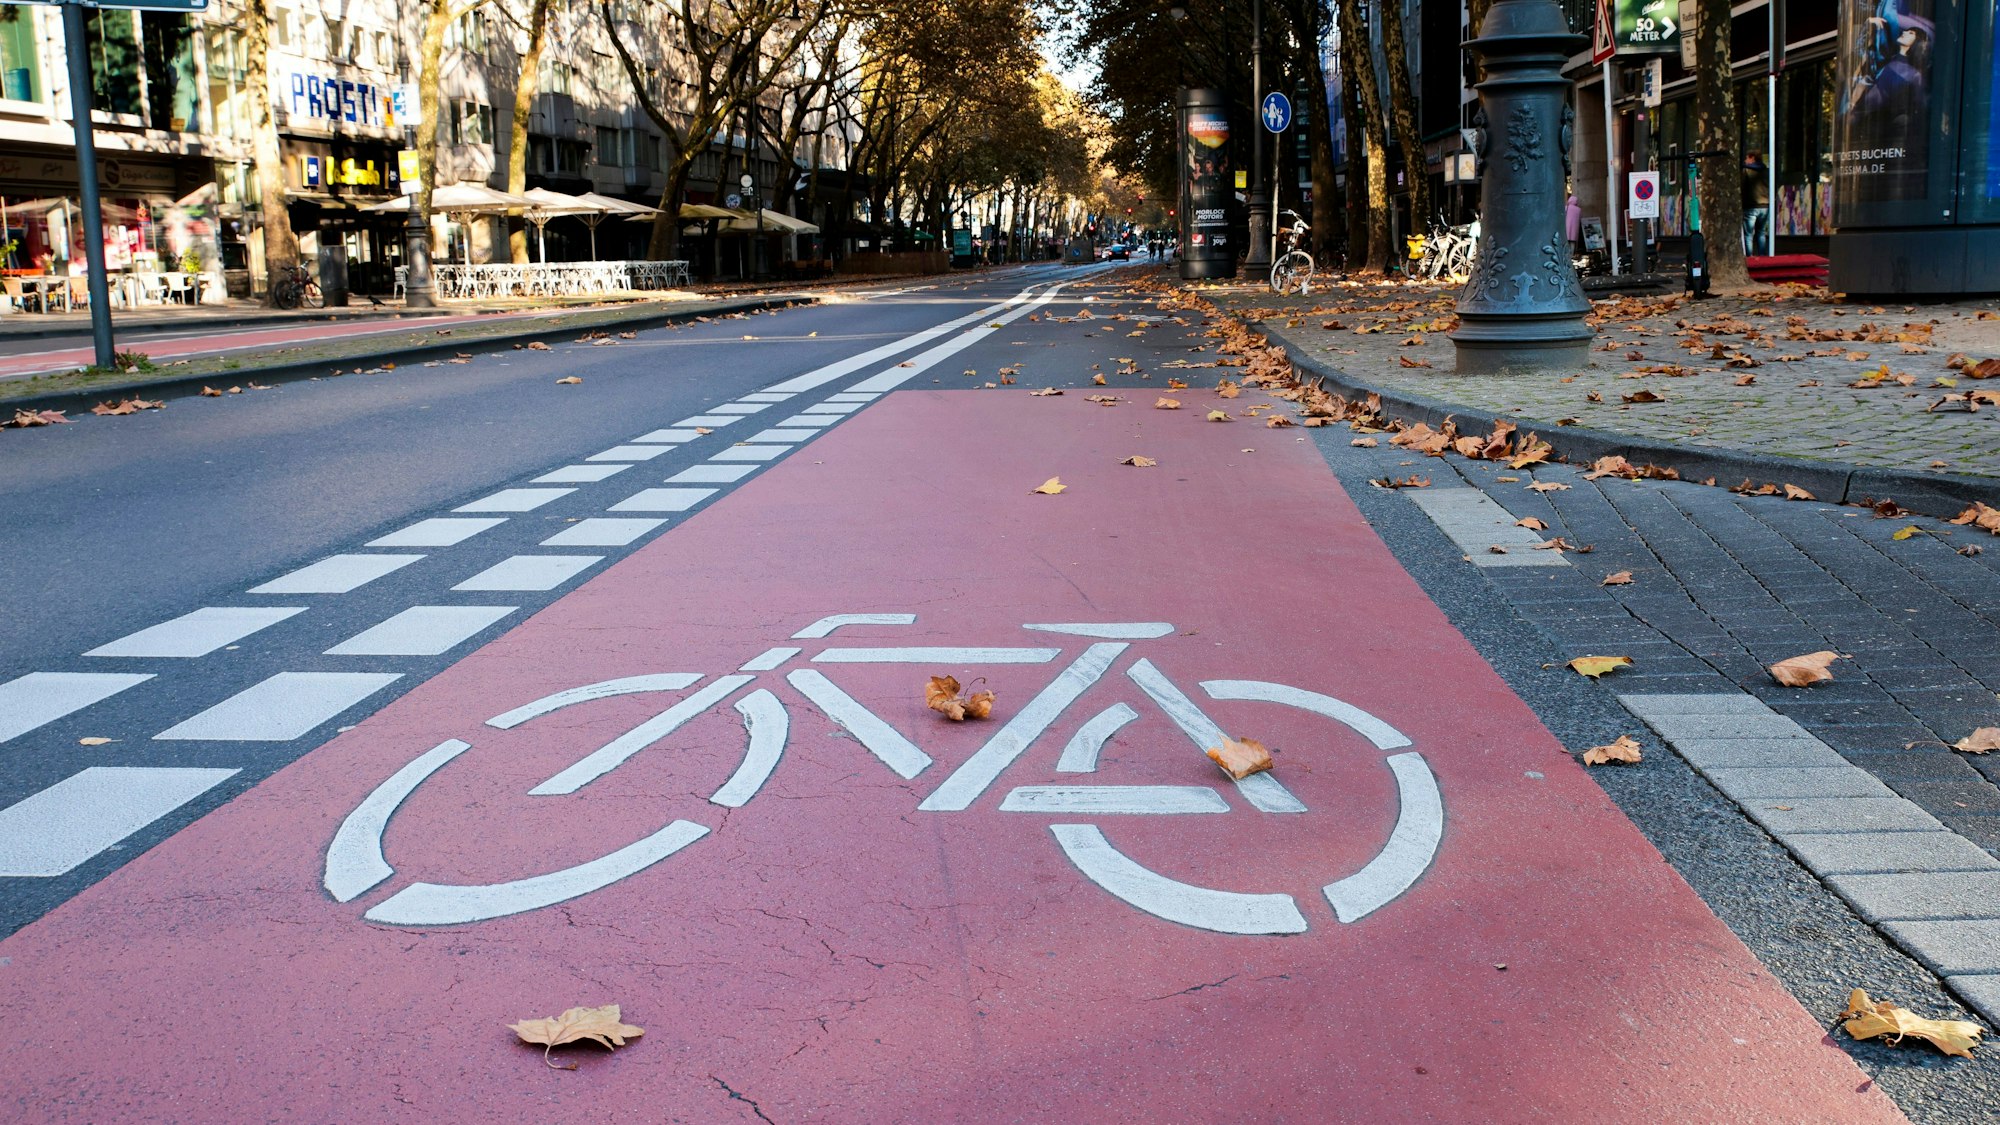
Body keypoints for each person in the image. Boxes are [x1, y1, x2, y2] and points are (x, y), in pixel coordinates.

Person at [1741, 152, 1770, 256]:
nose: (1745, 160)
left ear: (1752, 158)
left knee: (1748, 234)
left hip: (1751, 205)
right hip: (1765, 205)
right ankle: (1762, 256)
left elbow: (1742, 187)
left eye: (1747, 158)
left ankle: (1750, 257)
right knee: (1761, 232)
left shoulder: (1746, 170)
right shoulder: (1766, 171)